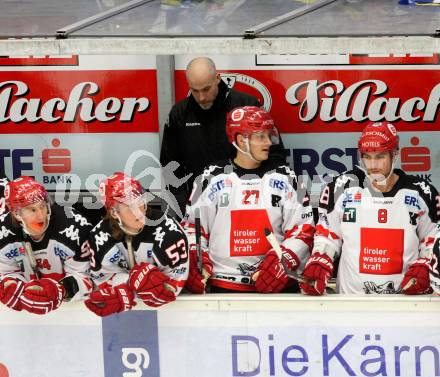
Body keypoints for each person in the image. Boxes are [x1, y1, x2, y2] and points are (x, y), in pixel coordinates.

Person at [183, 106, 314, 293]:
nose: (269, 142)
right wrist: (196, 259)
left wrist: (284, 258)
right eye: (260, 136)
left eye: (269, 135)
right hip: (224, 288)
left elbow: (304, 229)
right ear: (240, 140)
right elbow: (192, 228)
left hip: (277, 287)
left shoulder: (288, 177)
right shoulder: (209, 177)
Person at [300, 122, 440, 295]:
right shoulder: (341, 187)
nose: (373, 165)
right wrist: (320, 259)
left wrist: (426, 265)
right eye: (367, 156)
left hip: (405, 302)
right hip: (351, 300)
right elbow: (328, 235)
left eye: (380, 156)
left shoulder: (422, 193)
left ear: (394, 155)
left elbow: (433, 240)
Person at [160, 56, 286, 217]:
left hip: (247, 203)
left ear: (218, 78)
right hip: (201, 206)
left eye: (206, 89)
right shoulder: (179, 113)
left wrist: (260, 196)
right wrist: (184, 206)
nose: (201, 97)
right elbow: (169, 165)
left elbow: (276, 156)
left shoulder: (247, 104)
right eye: (195, 90)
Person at [85, 172, 189, 317]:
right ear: (114, 212)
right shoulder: (99, 237)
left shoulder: (169, 233)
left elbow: (174, 286)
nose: (138, 211)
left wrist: (145, 286)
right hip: (123, 318)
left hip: (173, 315)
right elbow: (102, 279)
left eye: (139, 202)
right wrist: (132, 283)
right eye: (129, 206)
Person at [0, 176, 93, 314]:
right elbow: (6, 272)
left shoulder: (73, 226)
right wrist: (11, 286)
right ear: (16, 213)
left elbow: (86, 278)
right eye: (32, 210)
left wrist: (62, 290)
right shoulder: (3, 231)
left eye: (42, 206)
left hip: (72, 309)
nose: (41, 216)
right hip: (27, 315)